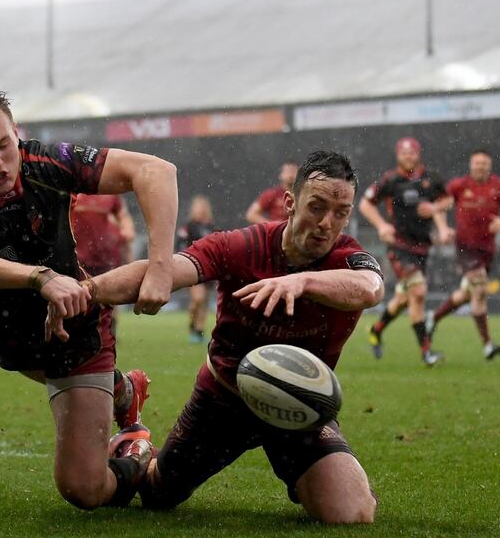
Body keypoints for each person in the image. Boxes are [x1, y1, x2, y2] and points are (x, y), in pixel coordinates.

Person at [68, 150, 382, 524]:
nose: (326, 223)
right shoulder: (241, 246)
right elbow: (167, 269)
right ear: (289, 202)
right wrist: (84, 292)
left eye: (341, 212)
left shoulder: (349, 258)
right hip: (223, 400)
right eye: (316, 207)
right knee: (156, 496)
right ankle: (136, 445)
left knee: (352, 514)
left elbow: (370, 288)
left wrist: (303, 281)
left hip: (297, 407)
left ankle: (323, 478)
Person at [0, 88, 177, 510]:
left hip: (74, 328)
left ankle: (138, 457)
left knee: (83, 489)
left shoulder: (49, 160)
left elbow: (156, 171)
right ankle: (122, 390)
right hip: (10, 339)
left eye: (5, 145)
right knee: (32, 361)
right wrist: (40, 278)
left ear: (15, 131)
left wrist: (161, 267)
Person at [359, 137, 451, 366]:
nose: (408, 157)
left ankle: (376, 329)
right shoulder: (391, 180)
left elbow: (447, 200)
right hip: (399, 246)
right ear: (398, 155)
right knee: (418, 293)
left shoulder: (432, 178)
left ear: (418, 154)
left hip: (423, 247)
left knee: (404, 298)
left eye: (412, 153)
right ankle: (427, 353)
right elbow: (365, 204)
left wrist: (438, 216)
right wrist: (381, 225)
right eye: (403, 153)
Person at [426, 149, 500, 360]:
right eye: (477, 163)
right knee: (480, 289)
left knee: (467, 294)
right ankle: (488, 346)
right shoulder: (459, 186)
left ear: (490, 166)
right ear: (470, 165)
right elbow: (438, 206)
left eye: (484, 164)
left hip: (487, 249)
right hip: (465, 247)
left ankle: (434, 317)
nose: (480, 167)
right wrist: (442, 228)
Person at [176, 195, 216, 343]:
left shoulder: (211, 227)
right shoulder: (188, 226)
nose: (201, 210)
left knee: (204, 301)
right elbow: (179, 245)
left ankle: (199, 331)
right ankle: (193, 325)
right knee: (197, 299)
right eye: (199, 207)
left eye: (203, 207)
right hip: (193, 267)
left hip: (209, 269)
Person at [71, 193, 136, 276]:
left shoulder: (109, 194)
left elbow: (123, 216)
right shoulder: (72, 192)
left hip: (108, 256)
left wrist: (126, 232)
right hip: (79, 258)